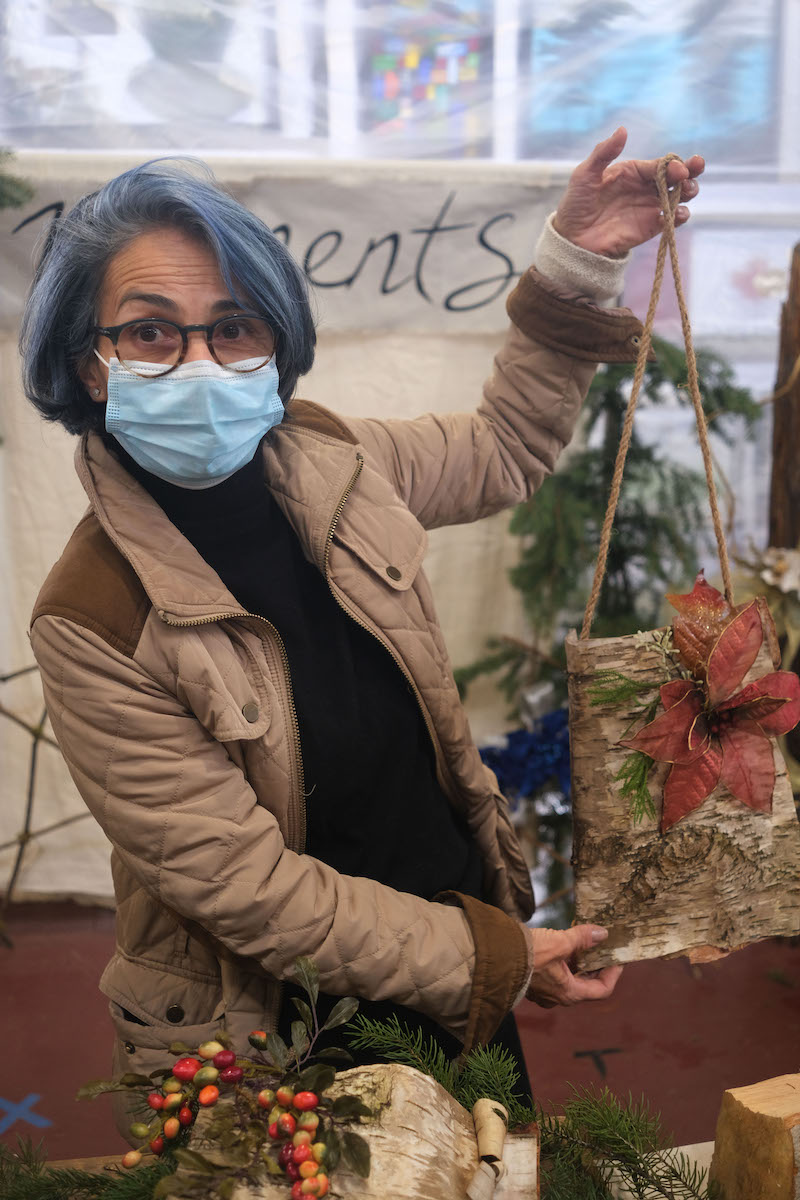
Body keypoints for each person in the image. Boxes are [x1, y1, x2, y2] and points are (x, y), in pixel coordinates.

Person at [21, 128, 702, 1133]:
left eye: (234, 327)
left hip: (452, 944)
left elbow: (504, 446)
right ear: (88, 365)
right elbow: (246, 890)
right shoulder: (93, 620)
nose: (202, 362)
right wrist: (489, 959)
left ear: (276, 342)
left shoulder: (333, 460)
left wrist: (581, 257)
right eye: (153, 333)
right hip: (270, 1020)